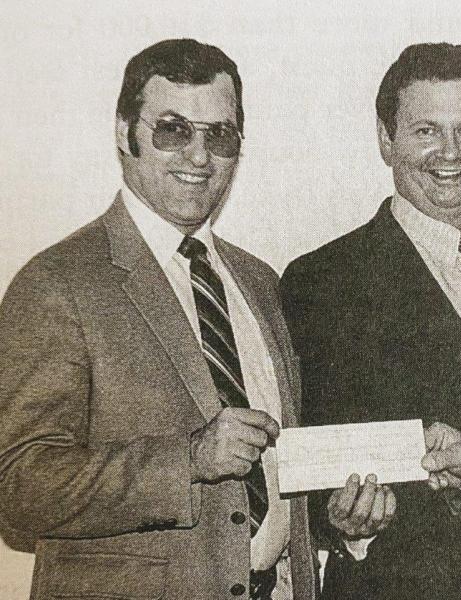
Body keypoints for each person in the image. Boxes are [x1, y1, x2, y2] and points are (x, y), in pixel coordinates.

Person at [0, 39, 321, 600]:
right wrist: (188, 458)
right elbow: (18, 492)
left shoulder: (262, 283)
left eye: (220, 134)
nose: (200, 157)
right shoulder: (57, 283)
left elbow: (275, 481)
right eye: (173, 130)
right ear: (126, 134)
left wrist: (342, 522)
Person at [279, 42, 461, 600]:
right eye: (426, 130)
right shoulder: (322, 279)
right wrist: (347, 525)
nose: (450, 152)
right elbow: (308, 467)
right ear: (387, 140)